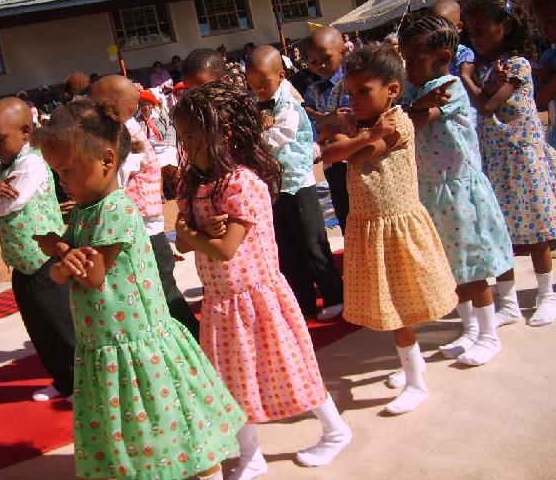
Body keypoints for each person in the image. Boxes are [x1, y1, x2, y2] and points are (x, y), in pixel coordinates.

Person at [31, 98, 245, 480]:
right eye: (57, 172)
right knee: (141, 426)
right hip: (105, 338)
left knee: (168, 420)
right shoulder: (83, 212)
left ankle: (207, 472)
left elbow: (92, 274)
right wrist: (63, 260)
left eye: (67, 170)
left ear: (106, 161)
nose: (62, 181)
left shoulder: (115, 209)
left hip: (133, 339)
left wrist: (58, 248)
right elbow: (64, 275)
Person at [174, 81, 351, 477]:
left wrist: (195, 236)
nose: (186, 146)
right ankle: (250, 455)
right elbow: (184, 241)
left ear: (225, 134)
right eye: (182, 136)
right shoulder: (193, 184)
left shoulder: (242, 182)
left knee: (293, 368)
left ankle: (336, 429)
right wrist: (196, 235)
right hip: (220, 300)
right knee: (229, 381)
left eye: (192, 136)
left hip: (257, 298)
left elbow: (225, 248)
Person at [321, 45, 458, 414]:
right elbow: (329, 153)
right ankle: (413, 364)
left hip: (394, 224)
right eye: (351, 92)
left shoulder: (398, 123)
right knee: (392, 305)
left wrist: (350, 140)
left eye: (363, 91)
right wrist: (351, 136)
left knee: (399, 309)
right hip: (370, 225)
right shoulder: (363, 125)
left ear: (392, 90)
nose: (354, 99)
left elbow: (355, 156)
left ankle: (416, 383)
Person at [399, 15, 514, 366]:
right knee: (452, 266)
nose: (408, 68)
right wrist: (411, 105)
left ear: (443, 57)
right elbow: (407, 113)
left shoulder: (449, 87)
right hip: (433, 192)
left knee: (473, 266)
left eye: (415, 60)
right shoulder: (417, 92)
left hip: (459, 191)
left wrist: (410, 109)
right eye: (406, 60)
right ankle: (470, 329)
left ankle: (489, 334)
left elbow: (413, 122)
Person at [0, 98, 75, 402]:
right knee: (38, 326)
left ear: (25, 131)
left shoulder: (32, 162)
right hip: (20, 262)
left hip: (46, 260)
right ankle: (62, 379)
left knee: (61, 325)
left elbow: (8, 204)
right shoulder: (2, 170)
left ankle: (81, 381)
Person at [461, 0, 556, 326]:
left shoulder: (516, 65)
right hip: (494, 160)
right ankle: (508, 302)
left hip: (522, 157)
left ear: (506, 26)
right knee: (498, 230)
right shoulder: (489, 67)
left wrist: (466, 77)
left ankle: (546, 295)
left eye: (481, 30)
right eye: (471, 31)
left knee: (535, 230)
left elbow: (487, 105)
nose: (475, 38)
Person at [88, 75, 200, 339]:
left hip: (145, 227)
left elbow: (116, 176)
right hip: (139, 224)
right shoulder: (120, 131)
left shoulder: (124, 134)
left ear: (116, 107)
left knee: (163, 290)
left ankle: (192, 339)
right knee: (153, 291)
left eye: (96, 104)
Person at [245, 45, 345, 320]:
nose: (258, 89)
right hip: (274, 188)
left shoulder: (289, 104)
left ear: (281, 75)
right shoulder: (256, 106)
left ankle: (334, 294)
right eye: (252, 83)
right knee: (286, 248)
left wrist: (255, 133)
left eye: (264, 82)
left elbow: (277, 138)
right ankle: (303, 300)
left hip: (299, 183)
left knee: (312, 242)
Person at [304, 26, 352, 236]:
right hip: (332, 163)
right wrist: (328, 120)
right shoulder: (312, 90)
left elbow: (348, 119)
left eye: (325, 58)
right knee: (343, 211)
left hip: (355, 158)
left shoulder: (352, 82)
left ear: (343, 52)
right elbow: (310, 129)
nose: (320, 65)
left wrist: (321, 121)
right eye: (313, 61)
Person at [530, 0, 556, 147]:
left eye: (549, 20)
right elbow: (540, 100)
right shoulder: (549, 57)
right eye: (541, 24)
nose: (544, 29)